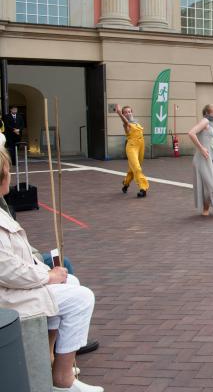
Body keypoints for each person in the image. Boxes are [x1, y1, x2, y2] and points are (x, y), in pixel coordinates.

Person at [0, 146, 103, 392]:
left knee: (71, 282)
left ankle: (50, 359)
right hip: (8, 295)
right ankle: (63, 379)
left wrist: (47, 273)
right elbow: (8, 270)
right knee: (81, 298)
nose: (11, 175)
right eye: (8, 170)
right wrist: (46, 276)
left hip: (13, 287)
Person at [115, 105, 149, 198]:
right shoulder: (126, 124)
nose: (128, 113)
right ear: (123, 114)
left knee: (132, 169)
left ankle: (126, 183)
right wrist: (119, 114)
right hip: (132, 147)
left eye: (129, 111)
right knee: (137, 168)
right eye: (125, 112)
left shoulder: (136, 122)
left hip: (141, 145)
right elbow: (125, 122)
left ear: (132, 112)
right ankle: (143, 188)